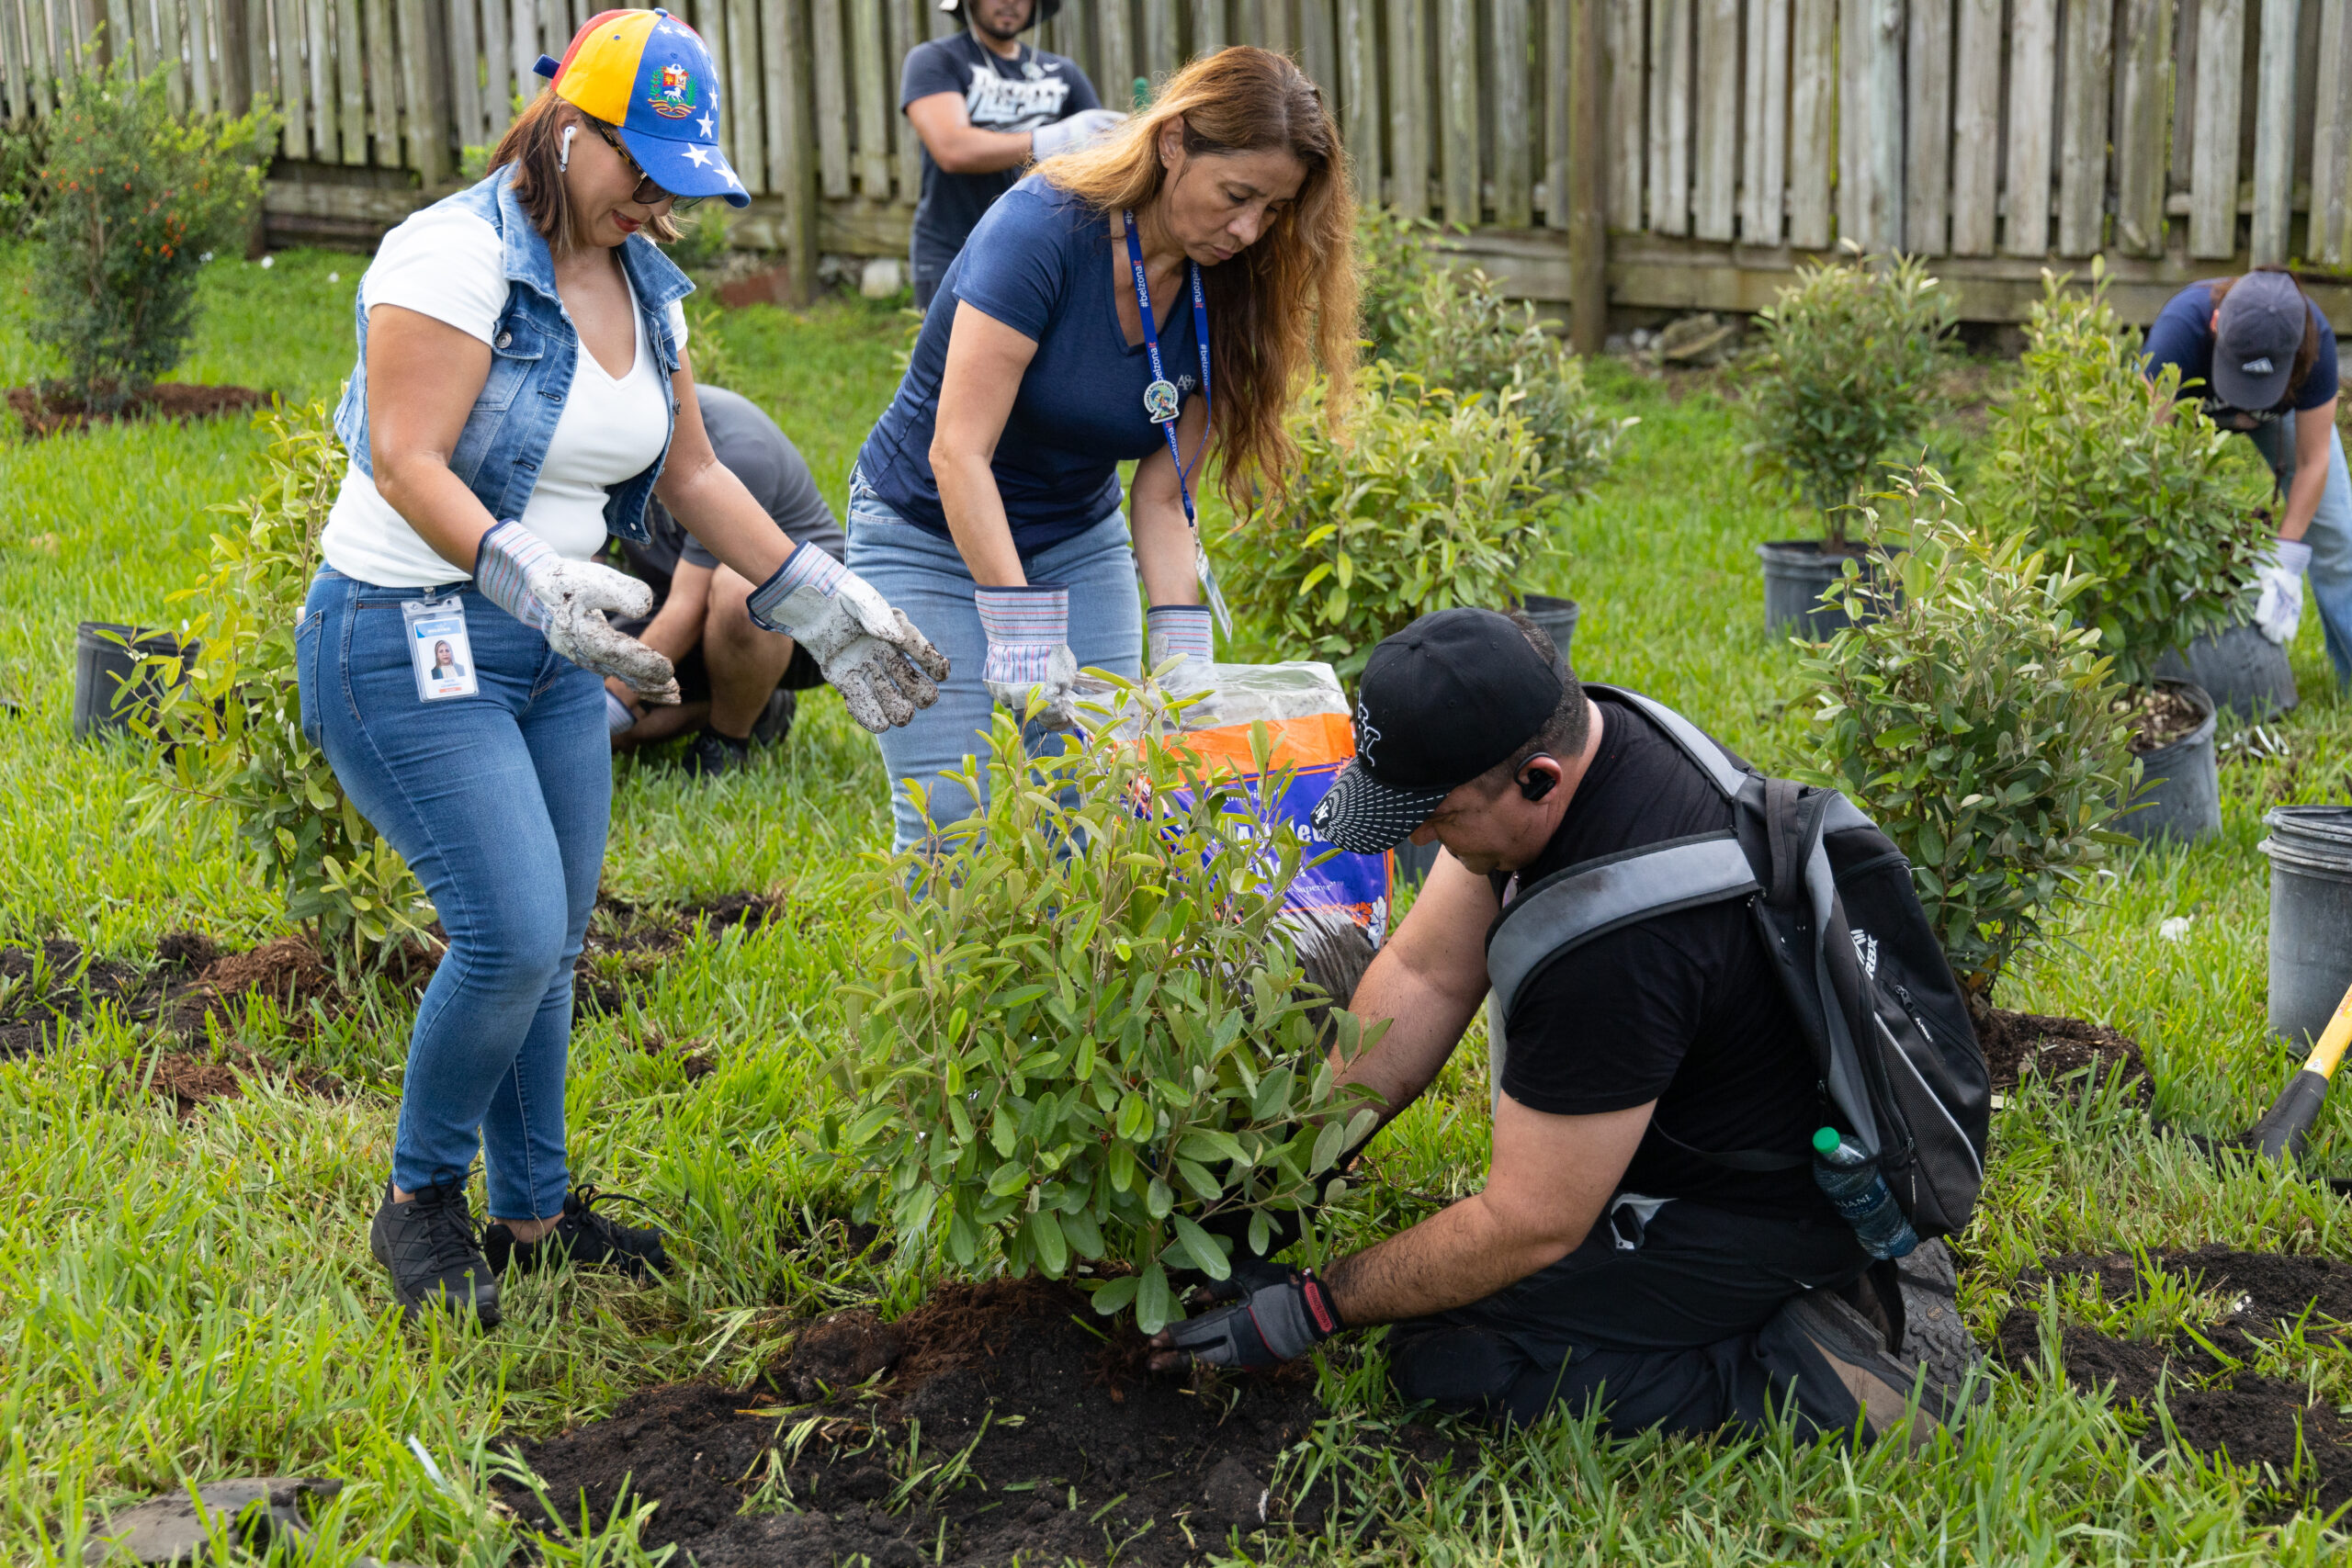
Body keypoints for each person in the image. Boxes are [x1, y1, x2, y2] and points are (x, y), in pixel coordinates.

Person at [300, 10, 945, 1329]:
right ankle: (419, 1201)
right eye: (640, 168)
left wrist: (821, 602)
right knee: (512, 932)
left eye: (680, 178)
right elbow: (408, 457)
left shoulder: (644, 281)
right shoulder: (448, 254)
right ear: (567, 128)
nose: (660, 200)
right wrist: (522, 570)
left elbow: (694, 471)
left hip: (557, 649)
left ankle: (533, 1210)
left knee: (561, 940)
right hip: (405, 633)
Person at [1148, 610, 1959, 1445]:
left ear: (1537, 778)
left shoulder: (1617, 945)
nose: (1420, 835)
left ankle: (1805, 1376)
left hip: (1754, 1209)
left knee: (1448, 1357)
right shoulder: (1597, 737)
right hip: (1689, 1121)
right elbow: (1427, 972)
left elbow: (1529, 1220)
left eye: (1437, 813)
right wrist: (1278, 1175)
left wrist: (1318, 1302)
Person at [851, 45, 1359, 852]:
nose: (1249, 229)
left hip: (1074, 537)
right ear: (1174, 143)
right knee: (953, 816)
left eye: (1272, 209)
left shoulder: (1231, 285)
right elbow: (957, 453)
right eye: (1237, 196)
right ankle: (957, 981)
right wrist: (1020, 631)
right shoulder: (1044, 229)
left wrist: (1184, 653)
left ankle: (1073, 983)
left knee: (1102, 803)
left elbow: (1162, 496)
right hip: (925, 531)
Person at [604, 384, 850, 777]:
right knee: (599, 726)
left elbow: (687, 606)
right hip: (683, 608)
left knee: (743, 592)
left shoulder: (735, 448)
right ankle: (761, 707)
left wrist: (612, 702)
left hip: (801, 626)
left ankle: (726, 742)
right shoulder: (603, 435)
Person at [2142, 267, 2352, 685]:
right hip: (2189, 410)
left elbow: (2313, 462)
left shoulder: (2316, 340)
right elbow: (2147, 456)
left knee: (2338, 534)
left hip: (2282, 416)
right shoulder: (2178, 333)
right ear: (2216, 325)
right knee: (2144, 525)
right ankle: (2143, 668)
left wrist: (2285, 562)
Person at [900, 0, 1125, 312]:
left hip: (1041, 247)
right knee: (951, 359)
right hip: (953, 246)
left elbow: (1100, 158)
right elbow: (952, 149)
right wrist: (1051, 139)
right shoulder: (936, 59)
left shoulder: (1063, 73)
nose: (1010, 3)